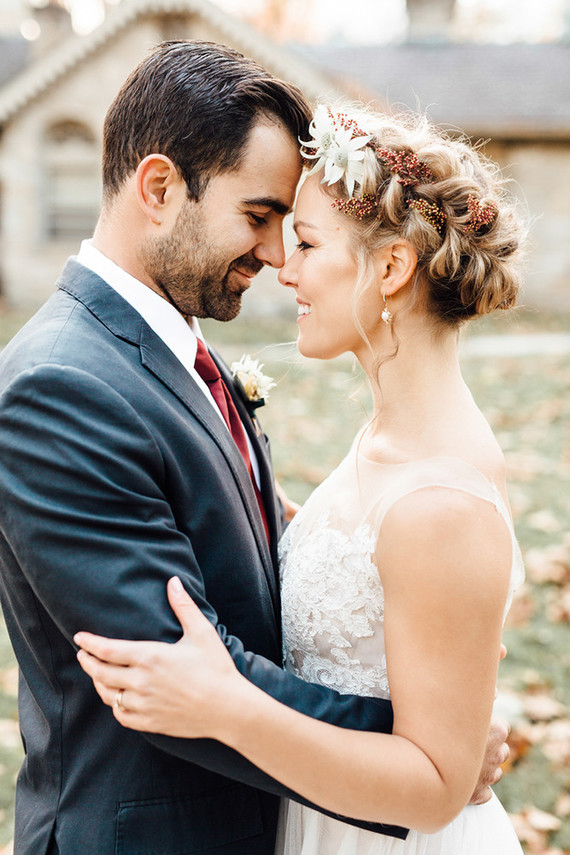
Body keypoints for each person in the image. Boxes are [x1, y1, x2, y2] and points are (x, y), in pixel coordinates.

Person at [0, 43, 506, 855]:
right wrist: (422, 743)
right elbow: (165, 671)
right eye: (261, 217)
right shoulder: (59, 384)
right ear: (161, 189)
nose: (275, 258)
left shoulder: (175, 347)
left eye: (295, 233)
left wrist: (437, 711)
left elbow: (250, 544)